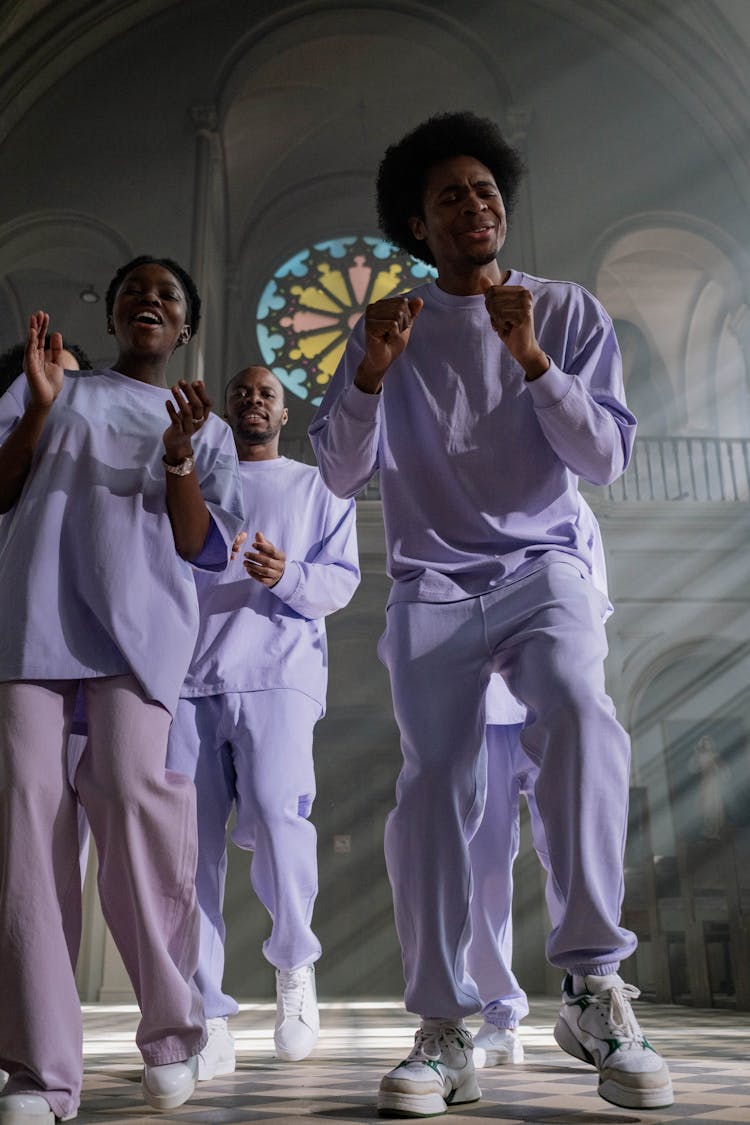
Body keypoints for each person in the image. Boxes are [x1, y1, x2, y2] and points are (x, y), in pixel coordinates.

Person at [310, 111, 673, 1116]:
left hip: (540, 565)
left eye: (483, 189)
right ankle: (444, 1029)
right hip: (430, 584)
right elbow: (337, 474)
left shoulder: (562, 309)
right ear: (418, 229)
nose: (474, 205)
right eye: (448, 198)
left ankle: (594, 985)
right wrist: (372, 373)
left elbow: (603, 459)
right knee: (435, 790)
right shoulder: (386, 327)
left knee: (579, 711)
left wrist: (534, 363)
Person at [0, 256, 245, 1123]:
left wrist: (179, 457)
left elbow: (199, 546)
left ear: (184, 328)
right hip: (32, 625)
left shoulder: (203, 428)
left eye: (169, 295)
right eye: (135, 290)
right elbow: (1, 485)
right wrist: (35, 407)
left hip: (139, 636)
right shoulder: (56, 384)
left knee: (136, 808)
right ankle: (38, 1070)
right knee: (27, 827)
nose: (151, 299)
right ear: (112, 314)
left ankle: (175, 1031)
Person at [166, 364, 359, 1076]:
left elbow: (340, 576)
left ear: (284, 413)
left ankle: (294, 970)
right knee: (189, 850)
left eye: (267, 393)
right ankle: (207, 1008)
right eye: (243, 390)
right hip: (187, 675)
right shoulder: (191, 473)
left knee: (281, 816)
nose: (253, 398)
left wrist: (289, 576)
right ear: (230, 409)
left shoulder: (315, 486)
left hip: (280, 670)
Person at [469, 501, 610, 1069]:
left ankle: (588, 987)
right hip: (479, 710)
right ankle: (498, 1014)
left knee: (570, 849)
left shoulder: (576, 508)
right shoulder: (466, 501)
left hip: (549, 703)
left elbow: (589, 616)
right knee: (483, 870)